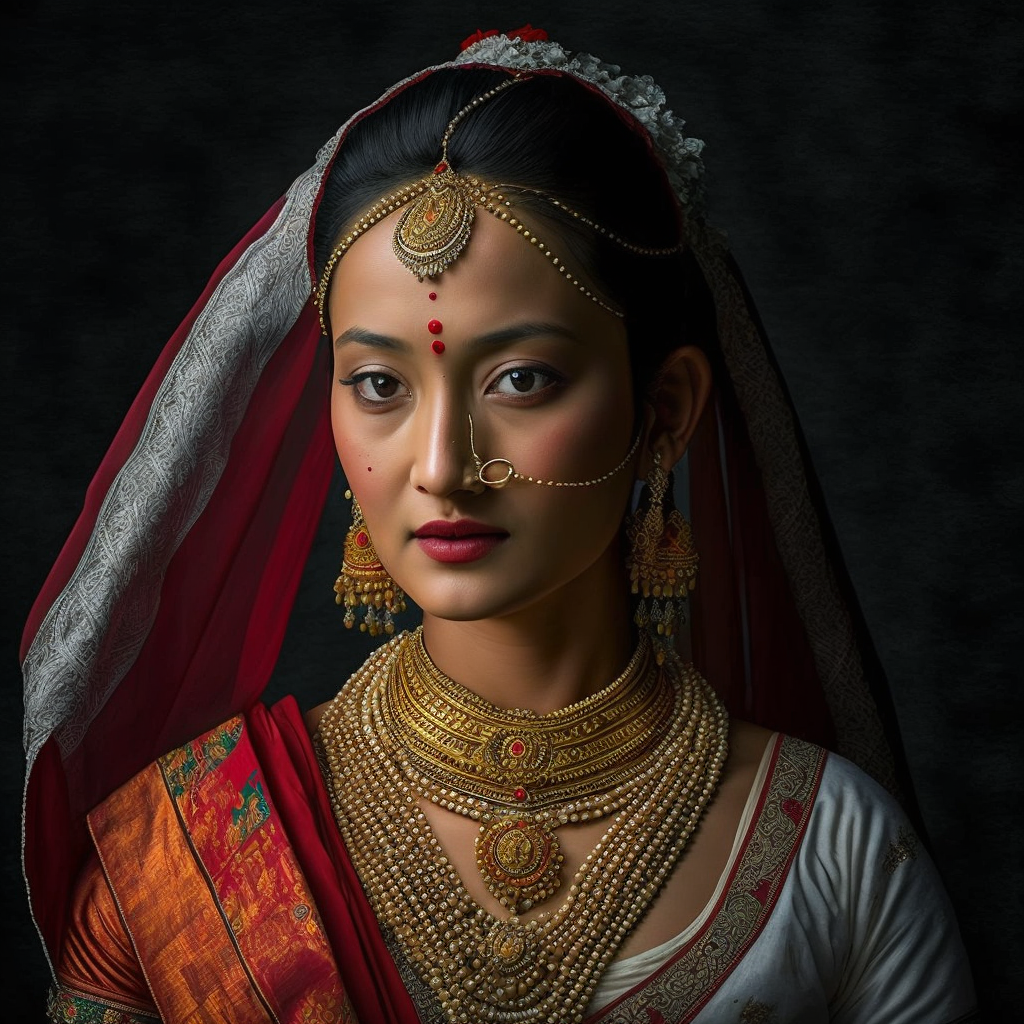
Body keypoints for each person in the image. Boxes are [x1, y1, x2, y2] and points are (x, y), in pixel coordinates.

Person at [21, 27, 978, 1024]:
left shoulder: (834, 852)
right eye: (380, 384)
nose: (441, 465)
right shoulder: (185, 864)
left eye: (522, 379)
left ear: (664, 410)